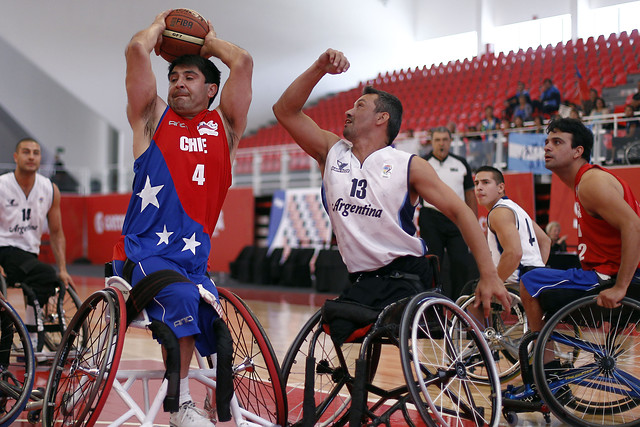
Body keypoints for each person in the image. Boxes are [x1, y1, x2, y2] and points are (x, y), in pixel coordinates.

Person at [273, 48, 510, 345]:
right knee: (344, 329)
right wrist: (319, 67)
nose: (348, 111)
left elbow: (462, 212)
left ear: (381, 118)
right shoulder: (331, 151)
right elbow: (284, 110)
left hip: (406, 276)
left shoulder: (409, 166)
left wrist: (488, 274)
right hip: (362, 277)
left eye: (359, 106)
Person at [112, 10, 252, 427]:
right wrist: (160, 26)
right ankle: (181, 404)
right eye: (174, 78)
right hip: (145, 255)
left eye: (189, 77)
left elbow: (241, 63)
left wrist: (207, 42)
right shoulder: (153, 119)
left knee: (223, 333)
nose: (178, 84)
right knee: (184, 301)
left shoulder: (225, 128)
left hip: (193, 261)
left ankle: (217, 402)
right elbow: (137, 49)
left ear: (211, 89)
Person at [520, 118, 640, 366]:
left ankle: (547, 366)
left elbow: (634, 227)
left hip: (611, 277)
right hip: (608, 273)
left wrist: (620, 287)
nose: (547, 147)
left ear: (578, 151)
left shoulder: (591, 183)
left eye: (557, 142)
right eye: (546, 142)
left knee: (530, 281)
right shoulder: (589, 181)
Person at [0, 138, 75, 351]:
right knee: (43, 274)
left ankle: (33, 338)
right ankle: (30, 340)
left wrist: (62, 269)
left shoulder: (49, 189)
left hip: (28, 257)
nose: (31, 156)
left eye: (36, 152)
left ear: (40, 158)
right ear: (16, 157)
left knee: (45, 278)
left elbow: (57, 233)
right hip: (3, 251)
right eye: (26, 152)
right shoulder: (2, 185)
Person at [465, 165, 549, 321]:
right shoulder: (515, 208)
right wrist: (538, 268)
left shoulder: (499, 213)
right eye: (476, 184)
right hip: (536, 276)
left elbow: (514, 253)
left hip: (520, 281)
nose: (479, 188)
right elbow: (545, 241)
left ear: (500, 187)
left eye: (485, 182)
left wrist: (494, 282)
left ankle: (481, 344)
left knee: (473, 293)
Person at [419, 127, 478, 300]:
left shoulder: (461, 163)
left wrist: (472, 222)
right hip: (430, 218)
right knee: (433, 264)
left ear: (450, 141)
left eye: (445, 139)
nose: (441, 143)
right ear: (431, 142)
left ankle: (460, 305)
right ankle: (432, 305)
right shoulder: (422, 163)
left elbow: (470, 195)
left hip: (456, 219)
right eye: (437, 140)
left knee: (460, 263)